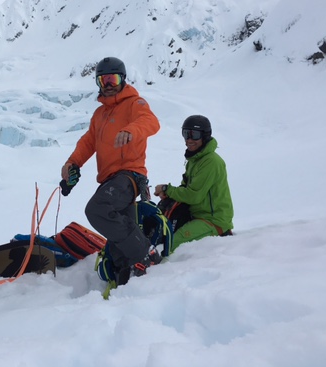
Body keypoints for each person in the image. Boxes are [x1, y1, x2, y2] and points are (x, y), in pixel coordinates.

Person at [60, 56, 161, 286]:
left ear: (123, 79)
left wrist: (131, 130)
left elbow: (151, 122)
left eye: (112, 79)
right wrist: (71, 165)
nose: (108, 84)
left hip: (129, 175)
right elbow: (88, 142)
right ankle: (127, 276)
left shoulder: (135, 104)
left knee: (98, 209)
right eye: (103, 80)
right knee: (118, 239)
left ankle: (146, 253)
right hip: (109, 180)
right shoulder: (99, 115)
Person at [154, 115, 234, 254]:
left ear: (205, 136)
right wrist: (168, 193)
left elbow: (193, 196)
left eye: (194, 135)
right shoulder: (195, 159)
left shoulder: (211, 162)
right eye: (186, 134)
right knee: (160, 232)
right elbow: (186, 188)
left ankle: (157, 272)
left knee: (170, 244)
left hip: (213, 220)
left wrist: (167, 188)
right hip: (196, 215)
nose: (189, 140)